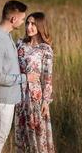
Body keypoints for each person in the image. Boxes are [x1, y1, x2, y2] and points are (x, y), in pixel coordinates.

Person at [0, 0, 37, 153]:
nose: (23, 22)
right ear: (13, 19)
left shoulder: (5, 36)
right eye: (22, 19)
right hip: (1, 100)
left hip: (7, 99)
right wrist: (24, 78)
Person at [15, 12, 55, 153]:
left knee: (38, 137)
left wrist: (45, 101)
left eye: (33, 24)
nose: (29, 27)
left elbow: (47, 78)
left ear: (40, 26)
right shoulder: (20, 44)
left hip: (35, 98)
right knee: (22, 137)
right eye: (27, 23)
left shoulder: (45, 49)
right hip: (20, 98)